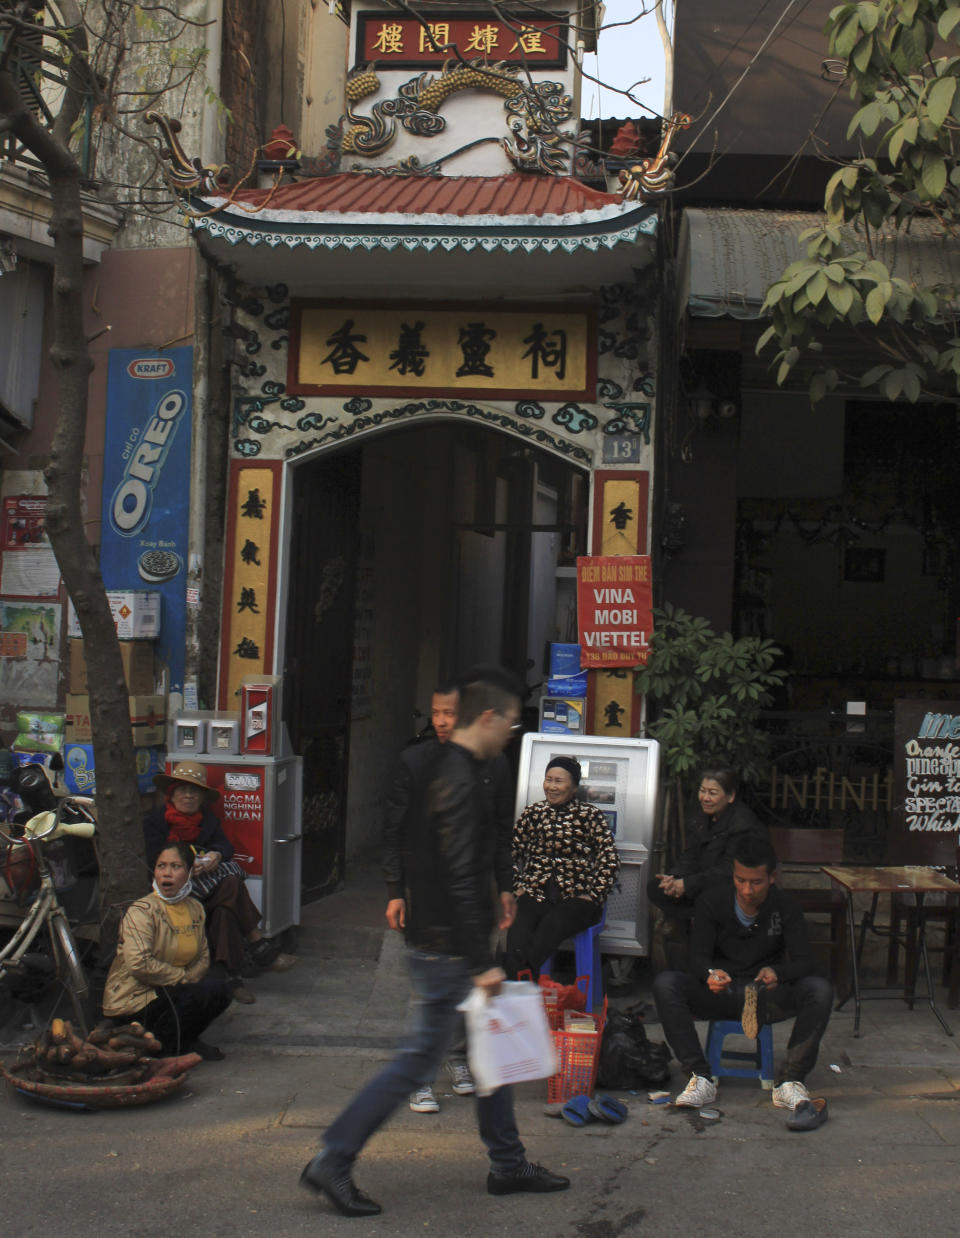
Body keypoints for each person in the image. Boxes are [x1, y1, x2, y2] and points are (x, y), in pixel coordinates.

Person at [300, 666, 569, 1218]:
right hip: (447, 947)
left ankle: (508, 1162)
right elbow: (454, 871)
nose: (512, 733)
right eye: (511, 723)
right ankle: (334, 1157)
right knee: (416, 1061)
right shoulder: (456, 776)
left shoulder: (461, 768)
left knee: (488, 1050)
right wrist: (479, 960)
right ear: (489, 717)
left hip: (444, 938)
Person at [384, 680, 517, 1113]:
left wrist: (505, 885)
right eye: (435, 713)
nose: (441, 721)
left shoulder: (491, 766)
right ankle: (420, 1077)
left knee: (467, 994)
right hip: (432, 901)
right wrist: (395, 890)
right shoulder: (418, 760)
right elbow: (397, 830)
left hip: (473, 895)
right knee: (430, 993)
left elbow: (500, 831)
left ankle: (458, 1061)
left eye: (448, 713)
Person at [652, 834, 833, 1129]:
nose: (747, 890)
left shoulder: (786, 907)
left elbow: (805, 961)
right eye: (740, 880)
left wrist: (779, 973)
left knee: (820, 989)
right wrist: (710, 974)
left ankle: (790, 1081)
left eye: (756, 882)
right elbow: (696, 957)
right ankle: (700, 1076)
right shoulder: (712, 901)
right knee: (666, 983)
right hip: (721, 993)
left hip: (764, 996)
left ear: (772, 878)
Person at [143, 761, 294, 1003]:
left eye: (195, 791)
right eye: (183, 790)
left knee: (226, 907)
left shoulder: (207, 820)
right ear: (172, 794)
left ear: (202, 797)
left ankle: (232, 979)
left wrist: (215, 856)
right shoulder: (156, 823)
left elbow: (225, 845)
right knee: (229, 891)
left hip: (204, 887)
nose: (189, 796)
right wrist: (185, 866)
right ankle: (257, 947)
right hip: (174, 891)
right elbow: (154, 862)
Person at [102, 842, 233, 1059]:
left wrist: (191, 978)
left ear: (189, 872)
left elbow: (202, 956)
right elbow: (138, 963)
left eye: (175, 866)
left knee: (219, 990)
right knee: (192, 996)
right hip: (137, 997)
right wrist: (181, 978)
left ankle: (184, 1040)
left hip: (174, 989)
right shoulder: (142, 911)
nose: (167, 873)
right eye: (161, 866)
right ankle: (164, 1050)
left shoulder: (195, 908)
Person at [504, 755, 619, 979]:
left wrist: (594, 894)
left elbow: (609, 859)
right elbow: (508, 854)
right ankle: (520, 982)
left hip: (577, 897)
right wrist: (517, 885)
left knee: (552, 924)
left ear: (574, 787)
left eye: (559, 781)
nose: (552, 786)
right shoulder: (533, 814)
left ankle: (517, 978)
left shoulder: (590, 816)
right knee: (519, 926)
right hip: (536, 892)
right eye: (549, 780)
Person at [648, 766, 767, 967]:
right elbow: (690, 855)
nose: (705, 798)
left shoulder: (743, 824)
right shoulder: (702, 816)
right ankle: (686, 921)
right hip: (703, 882)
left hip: (731, 887)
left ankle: (689, 924)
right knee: (655, 887)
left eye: (712, 793)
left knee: (707, 901)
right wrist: (674, 878)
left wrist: (687, 884)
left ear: (730, 797)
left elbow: (729, 870)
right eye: (702, 791)